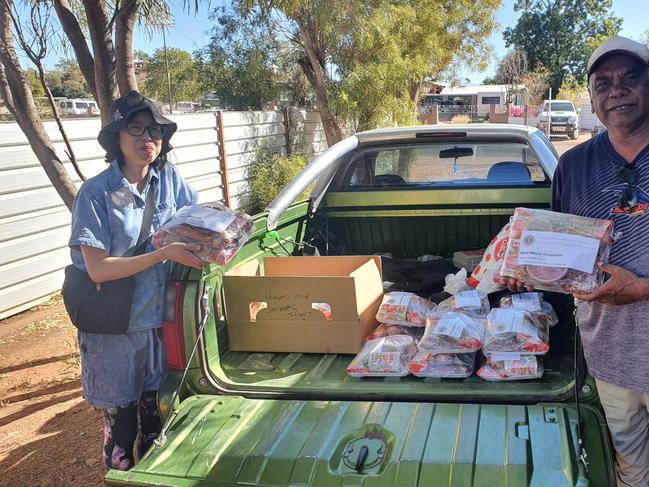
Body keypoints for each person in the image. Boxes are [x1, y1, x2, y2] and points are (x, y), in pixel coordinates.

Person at [504, 36, 649, 486]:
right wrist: (523, 272)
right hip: (608, 357)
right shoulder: (573, 166)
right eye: (602, 82)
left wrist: (643, 287)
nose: (616, 90)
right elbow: (564, 256)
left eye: (630, 77)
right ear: (591, 97)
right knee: (631, 466)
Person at [68, 91, 205, 470]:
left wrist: (219, 223)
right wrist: (162, 254)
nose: (148, 140)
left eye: (155, 132)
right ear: (117, 137)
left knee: (159, 419)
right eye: (136, 129)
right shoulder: (96, 193)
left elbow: (194, 218)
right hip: (114, 330)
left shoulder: (169, 179)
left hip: (159, 325)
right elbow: (98, 268)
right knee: (121, 434)